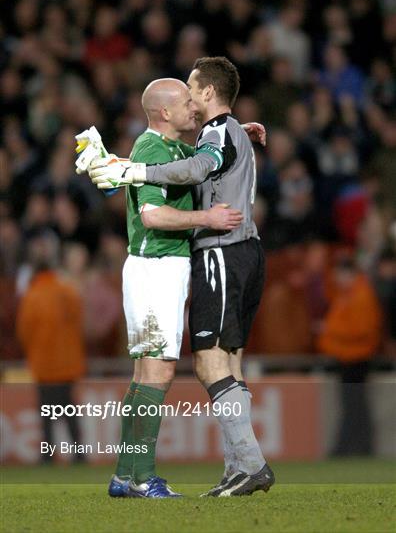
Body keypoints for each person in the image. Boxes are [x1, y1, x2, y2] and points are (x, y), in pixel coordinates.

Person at [88, 57, 275, 496]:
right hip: (155, 269)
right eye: (184, 98)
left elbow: (204, 160)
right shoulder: (154, 148)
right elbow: (152, 215)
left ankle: (129, 474)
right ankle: (140, 475)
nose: (192, 103)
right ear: (165, 113)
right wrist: (204, 212)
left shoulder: (182, 146)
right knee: (158, 372)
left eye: (195, 92)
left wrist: (235, 132)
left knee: (158, 371)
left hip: (186, 265)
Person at [16, 230, 86, 463]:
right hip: (69, 365)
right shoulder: (68, 291)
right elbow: (79, 323)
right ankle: (79, 454)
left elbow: (24, 332)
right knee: (70, 413)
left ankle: (48, 455)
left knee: (47, 414)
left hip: (45, 366)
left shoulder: (33, 295)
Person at [317, 256, 382, 455]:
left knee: (354, 406)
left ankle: (348, 448)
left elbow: (362, 330)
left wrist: (330, 330)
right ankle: (360, 447)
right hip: (348, 358)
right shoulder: (348, 294)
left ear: (350, 274)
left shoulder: (360, 296)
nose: (336, 279)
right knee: (355, 405)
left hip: (356, 358)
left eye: (340, 275)